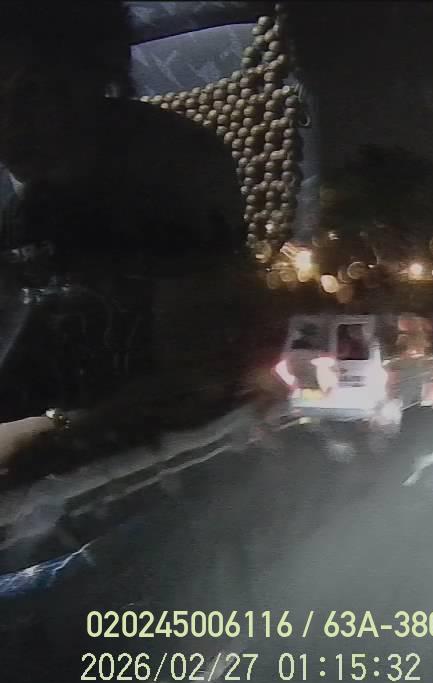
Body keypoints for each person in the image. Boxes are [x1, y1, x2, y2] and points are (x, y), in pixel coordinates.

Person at [0, 2, 274, 480]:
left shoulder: (171, 171)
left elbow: (195, 379)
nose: (8, 122)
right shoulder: (29, 204)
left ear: (97, 75)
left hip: (154, 481)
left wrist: (45, 432)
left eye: (34, 91)